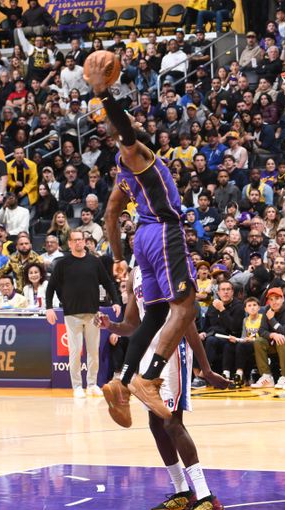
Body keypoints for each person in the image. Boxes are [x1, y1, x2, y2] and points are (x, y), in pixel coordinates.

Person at [84, 51, 199, 422]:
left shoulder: (122, 174)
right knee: (187, 307)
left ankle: (122, 381)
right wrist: (103, 94)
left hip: (142, 242)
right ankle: (149, 378)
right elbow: (124, 128)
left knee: (158, 311)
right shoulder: (139, 154)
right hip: (164, 231)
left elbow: (110, 214)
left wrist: (118, 257)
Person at [95, 264, 227, 510]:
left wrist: (206, 368)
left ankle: (206, 497)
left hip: (173, 351)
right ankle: (182, 491)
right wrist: (112, 325)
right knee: (155, 423)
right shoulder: (135, 273)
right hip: (147, 353)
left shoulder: (169, 265)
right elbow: (133, 324)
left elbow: (186, 321)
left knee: (171, 421)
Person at [46, 230, 121, 398]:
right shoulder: (63, 264)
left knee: (93, 351)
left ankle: (93, 384)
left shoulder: (94, 262)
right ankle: (77, 386)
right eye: (76, 240)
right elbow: (51, 287)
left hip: (93, 313)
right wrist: (49, 307)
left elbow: (108, 282)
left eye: (81, 239)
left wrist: (116, 301)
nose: (79, 242)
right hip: (72, 314)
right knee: (75, 351)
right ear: (70, 243)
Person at [251, 287, 285, 388]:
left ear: (283, 298)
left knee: (282, 340)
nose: (274, 302)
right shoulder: (267, 309)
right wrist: (272, 335)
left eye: (277, 298)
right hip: (274, 342)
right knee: (258, 341)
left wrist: (272, 321)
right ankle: (266, 376)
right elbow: (261, 330)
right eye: (271, 299)